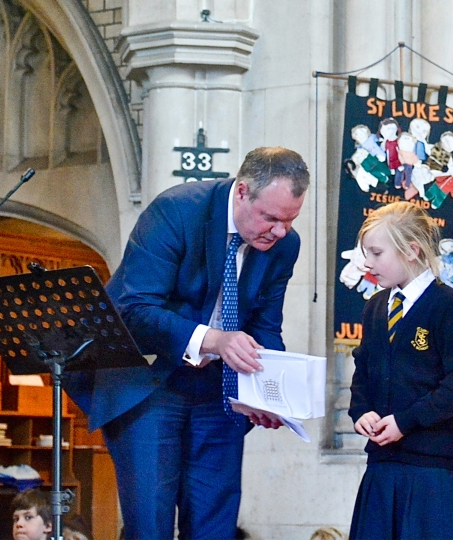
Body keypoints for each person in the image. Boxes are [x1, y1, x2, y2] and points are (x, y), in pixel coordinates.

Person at [65, 147, 310, 539]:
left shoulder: (284, 245)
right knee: (151, 525)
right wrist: (214, 339)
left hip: (217, 390)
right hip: (148, 379)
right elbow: (134, 308)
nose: (279, 231)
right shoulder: (177, 211)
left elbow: (265, 327)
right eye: (271, 218)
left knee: (214, 524)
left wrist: (266, 395)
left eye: (290, 220)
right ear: (243, 191)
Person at [348, 202, 453, 540]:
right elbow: (363, 370)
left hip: (430, 465)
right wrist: (361, 411)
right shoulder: (376, 307)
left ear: (411, 250)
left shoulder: (448, 305)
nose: (368, 263)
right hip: (382, 463)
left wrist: (406, 422)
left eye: (377, 253)